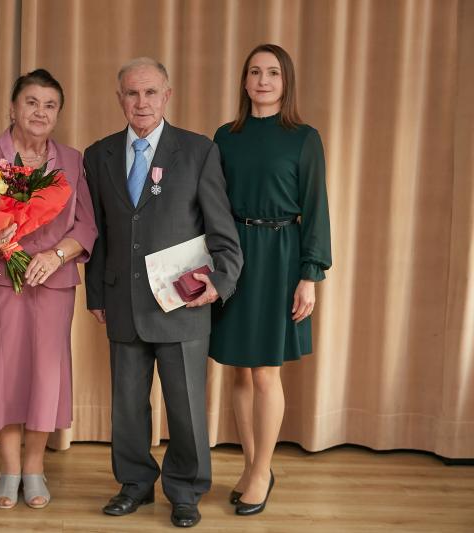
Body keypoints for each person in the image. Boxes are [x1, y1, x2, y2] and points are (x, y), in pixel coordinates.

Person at [84, 58, 243, 528]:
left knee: (186, 406)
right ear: (119, 99)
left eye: (151, 92)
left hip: (182, 304)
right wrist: (96, 294)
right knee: (127, 407)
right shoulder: (99, 155)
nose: (142, 102)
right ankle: (134, 484)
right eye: (132, 93)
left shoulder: (197, 151)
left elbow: (222, 231)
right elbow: (99, 233)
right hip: (123, 302)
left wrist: (221, 280)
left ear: (167, 96)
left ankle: (186, 490)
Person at [0, 69, 97, 510]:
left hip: (52, 282)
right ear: (13, 108)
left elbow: (86, 226)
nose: (40, 112)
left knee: (44, 374)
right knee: (0, 371)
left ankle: (34, 467)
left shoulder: (72, 160)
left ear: (59, 114)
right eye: (31, 102)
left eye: (50, 105)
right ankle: (9, 468)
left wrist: (56, 256)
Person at [209, 43, 332, 516]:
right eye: (255, 72)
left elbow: (316, 208)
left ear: (286, 82)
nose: (263, 80)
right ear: (244, 81)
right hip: (233, 256)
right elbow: (212, 204)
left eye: (273, 73)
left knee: (265, 371)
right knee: (238, 368)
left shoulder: (303, 137)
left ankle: (263, 470)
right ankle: (249, 464)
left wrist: (309, 275)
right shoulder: (225, 136)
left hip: (281, 256)